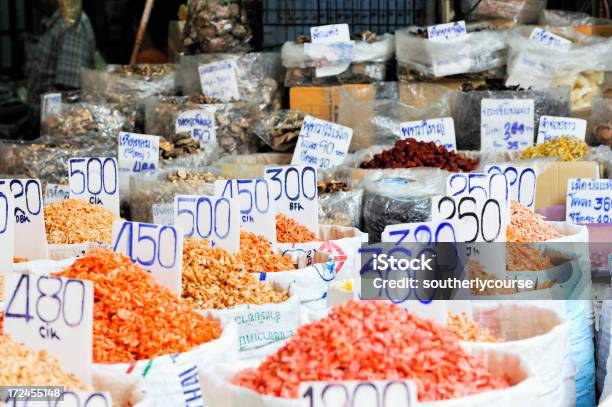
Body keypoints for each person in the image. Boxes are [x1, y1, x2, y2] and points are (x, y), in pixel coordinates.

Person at [26, 0, 95, 138]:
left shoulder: (72, 24)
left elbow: (68, 94)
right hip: (43, 127)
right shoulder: (56, 22)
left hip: (54, 132)